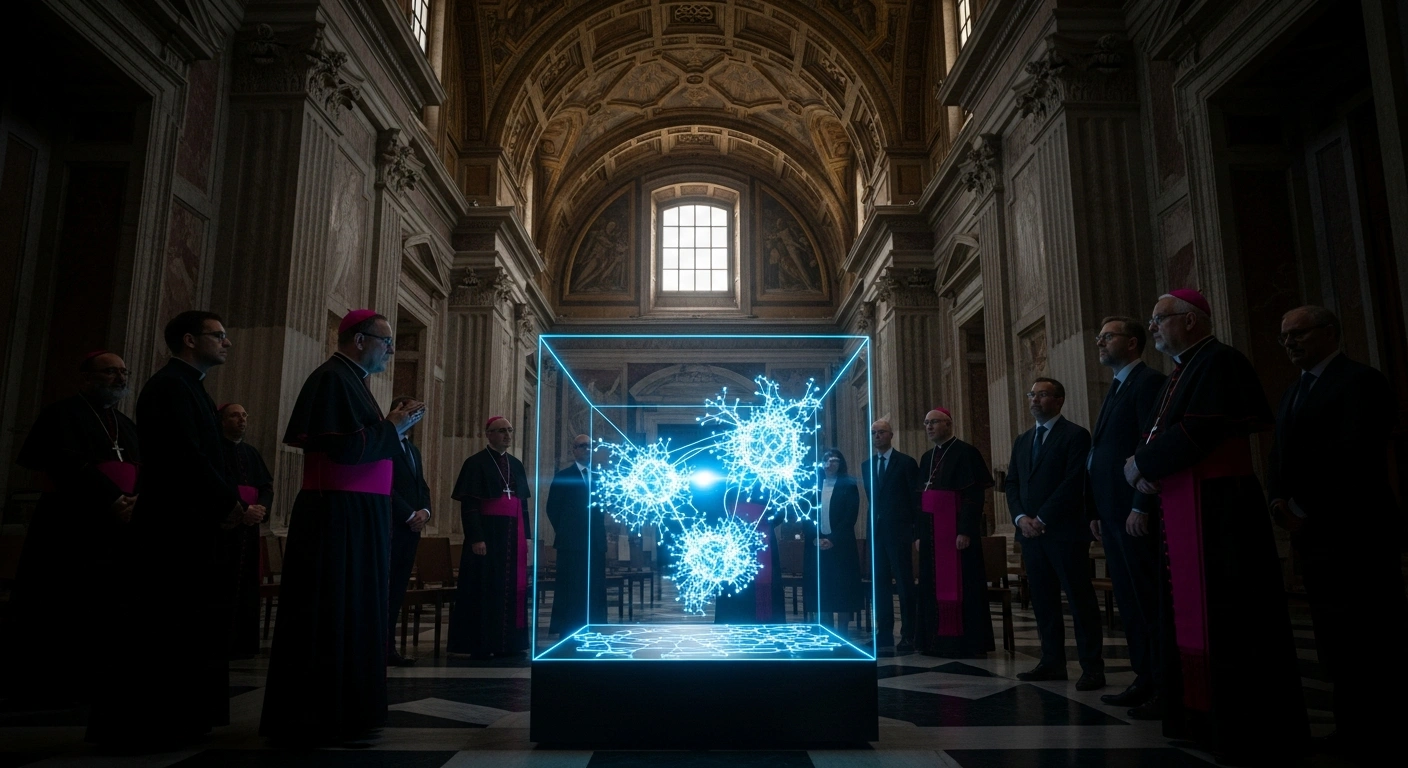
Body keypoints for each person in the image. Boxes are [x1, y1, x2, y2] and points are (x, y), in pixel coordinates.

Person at [1126, 289, 1307, 760]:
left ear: (1190, 320)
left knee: (1229, 616)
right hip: (1186, 503)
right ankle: (1198, 717)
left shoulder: (1219, 362)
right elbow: (1164, 433)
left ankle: (1239, 725)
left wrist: (1142, 464)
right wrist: (1147, 471)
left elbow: (1199, 431)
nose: (1153, 327)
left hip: (1221, 511)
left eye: (1160, 318)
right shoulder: (1182, 370)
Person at [260, 310, 425, 746]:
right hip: (337, 515)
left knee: (357, 608)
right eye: (385, 341)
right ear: (359, 340)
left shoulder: (355, 381)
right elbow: (346, 451)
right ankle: (324, 713)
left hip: (358, 514)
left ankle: (351, 709)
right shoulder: (333, 379)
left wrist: (393, 428)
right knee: (336, 609)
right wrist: (392, 427)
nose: (392, 349)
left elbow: (363, 444)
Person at [88, 312, 244, 749]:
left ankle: (180, 717)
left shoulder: (189, 386)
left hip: (189, 520)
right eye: (219, 335)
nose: (227, 342)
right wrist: (227, 501)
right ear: (190, 340)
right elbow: (186, 456)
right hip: (173, 525)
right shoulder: (171, 386)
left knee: (186, 623)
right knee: (165, 625)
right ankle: (154, 722)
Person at [1267, 305, 1407, 760]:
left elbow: (1354, 455)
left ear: (1329, 333)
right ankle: (1351, 727)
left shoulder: (1361, 381)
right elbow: (1278, 454)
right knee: (1335, 637)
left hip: (1357, 529)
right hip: (1312, 534)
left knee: (1371, 634)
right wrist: (1277, 500)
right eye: (1285, 336)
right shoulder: (1293, 391)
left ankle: (1382, 729)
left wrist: (1302, 508)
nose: (1289, 342)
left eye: (1299, 333)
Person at [3, 351, 139, 705]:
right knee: (65, 598)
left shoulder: (125, 423)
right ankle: (56, 677)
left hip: (119, 524)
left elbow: (141, 467)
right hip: (71, 522)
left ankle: (100, 671)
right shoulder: (61, 415)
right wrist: (112, 498)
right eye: (110, 372)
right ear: (87, 378)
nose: (120, 378)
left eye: (123, 372)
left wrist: (135, 500)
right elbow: (64, 463)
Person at [1086, 318, 1167, 713]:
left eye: (1108, 336)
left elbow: (1147, 447)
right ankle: (1143, 676)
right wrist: (1095, 509)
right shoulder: (1117, 385)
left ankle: (1161, 681)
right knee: (1129, 600)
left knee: (1146, 597)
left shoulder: (1148, 382)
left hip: (1133, 511)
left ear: (1133, 343)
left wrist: (1140, 505)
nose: (1100, 342)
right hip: (1111, 512)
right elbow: (1101, 454)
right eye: (1099, 337)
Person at [1007, 378, 1104, 690]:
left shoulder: (1075, 435)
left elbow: (1074, 482)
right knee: (1043, 601)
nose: (1035, 400)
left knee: (1079, 600)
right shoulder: (1023, 439)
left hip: (1064, 533)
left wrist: (1042, 517)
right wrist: (1021, 518)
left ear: (1059, 400)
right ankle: (1052, 662)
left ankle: (1092, 667)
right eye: (1032, 394)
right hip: (1030, 535)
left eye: (1043, 395)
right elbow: (1012, 483)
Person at [913, 407, 994, 657]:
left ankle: (964, 643)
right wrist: (919, 534)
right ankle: (933, 641)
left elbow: (973, 496)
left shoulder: (966, 452)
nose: (929, 427)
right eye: (926, 423)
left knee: (963, 585)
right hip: (931, 535)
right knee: (931, 586)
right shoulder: (927, 457)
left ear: (948, 424)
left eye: (934, 422)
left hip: (957, 532)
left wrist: (966, 530)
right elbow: (921, 500)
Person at [449, 416, 532, 657]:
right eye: (501, 431)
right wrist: (476, 537)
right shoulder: (475, 463)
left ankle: (510, 643)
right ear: (489, 434)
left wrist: (526, 537)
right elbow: (470, 505)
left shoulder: (516, 464)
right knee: (485, 587)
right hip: (487, 534)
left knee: (511, 588)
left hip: (512, 536)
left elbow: (522, 505)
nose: (507, 435)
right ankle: (482, 643)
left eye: (510, 430)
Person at [216, 403, 272, 660]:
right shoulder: (214, 450)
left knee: (248, 584)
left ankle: (245, 643)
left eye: (244, 415)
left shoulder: (251, 453)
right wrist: (242, 509)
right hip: (226, 526)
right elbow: (217, 487)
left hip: (251, 527)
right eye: (235, 416)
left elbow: (266, 487)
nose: (242, 420)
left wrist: (261, 509)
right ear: (222, 421)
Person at [860, 419, 919, 654]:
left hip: (900, 532)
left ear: (891, 435)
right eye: (873, 433)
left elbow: (914, 500)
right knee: (880, 585)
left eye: (881, 432)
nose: (877, 436)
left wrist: (915, 532)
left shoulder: (906, 462)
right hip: (876, 533)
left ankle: (909, 635)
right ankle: (883, 634)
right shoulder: (867, 465)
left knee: (904, 584)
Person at [387, 395, 432, 666]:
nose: (415, 418)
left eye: (418, 414)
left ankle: (388, 648)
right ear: (397, 412)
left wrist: (425, 512)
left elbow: (421, 486)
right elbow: (384, 484)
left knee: (397, 590)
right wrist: (408, 514)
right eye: (411, 412)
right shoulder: (385, 444)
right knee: (384, 589)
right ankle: (378, 647)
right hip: (391, 526)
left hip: (411, 530)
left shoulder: (412, 450)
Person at [546, 435, 606, 636]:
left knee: (595, 587)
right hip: (571, 544)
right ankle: (569, 628)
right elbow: (552, 509)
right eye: (583, 446)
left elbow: (602, 509)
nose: (587, 450)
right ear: (574, 450)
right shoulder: (563, 476)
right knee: (571, 587)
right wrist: (566, 531)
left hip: (595, 543)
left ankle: (595, 625)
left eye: (590, 446)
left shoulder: (599, 476)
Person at [803, 449, 862, 630]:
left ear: (840, 463)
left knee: (842, 589)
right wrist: (816, 538)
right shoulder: (813, 486)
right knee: (822, 590)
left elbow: (850, 516)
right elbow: (806, 514)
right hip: (817, 545)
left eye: (834, 460)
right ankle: (825, 629)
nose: (829, 464)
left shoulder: (849, 485)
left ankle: (843, 631)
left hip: (841, 546)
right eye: (826, 460)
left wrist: (833, 539)